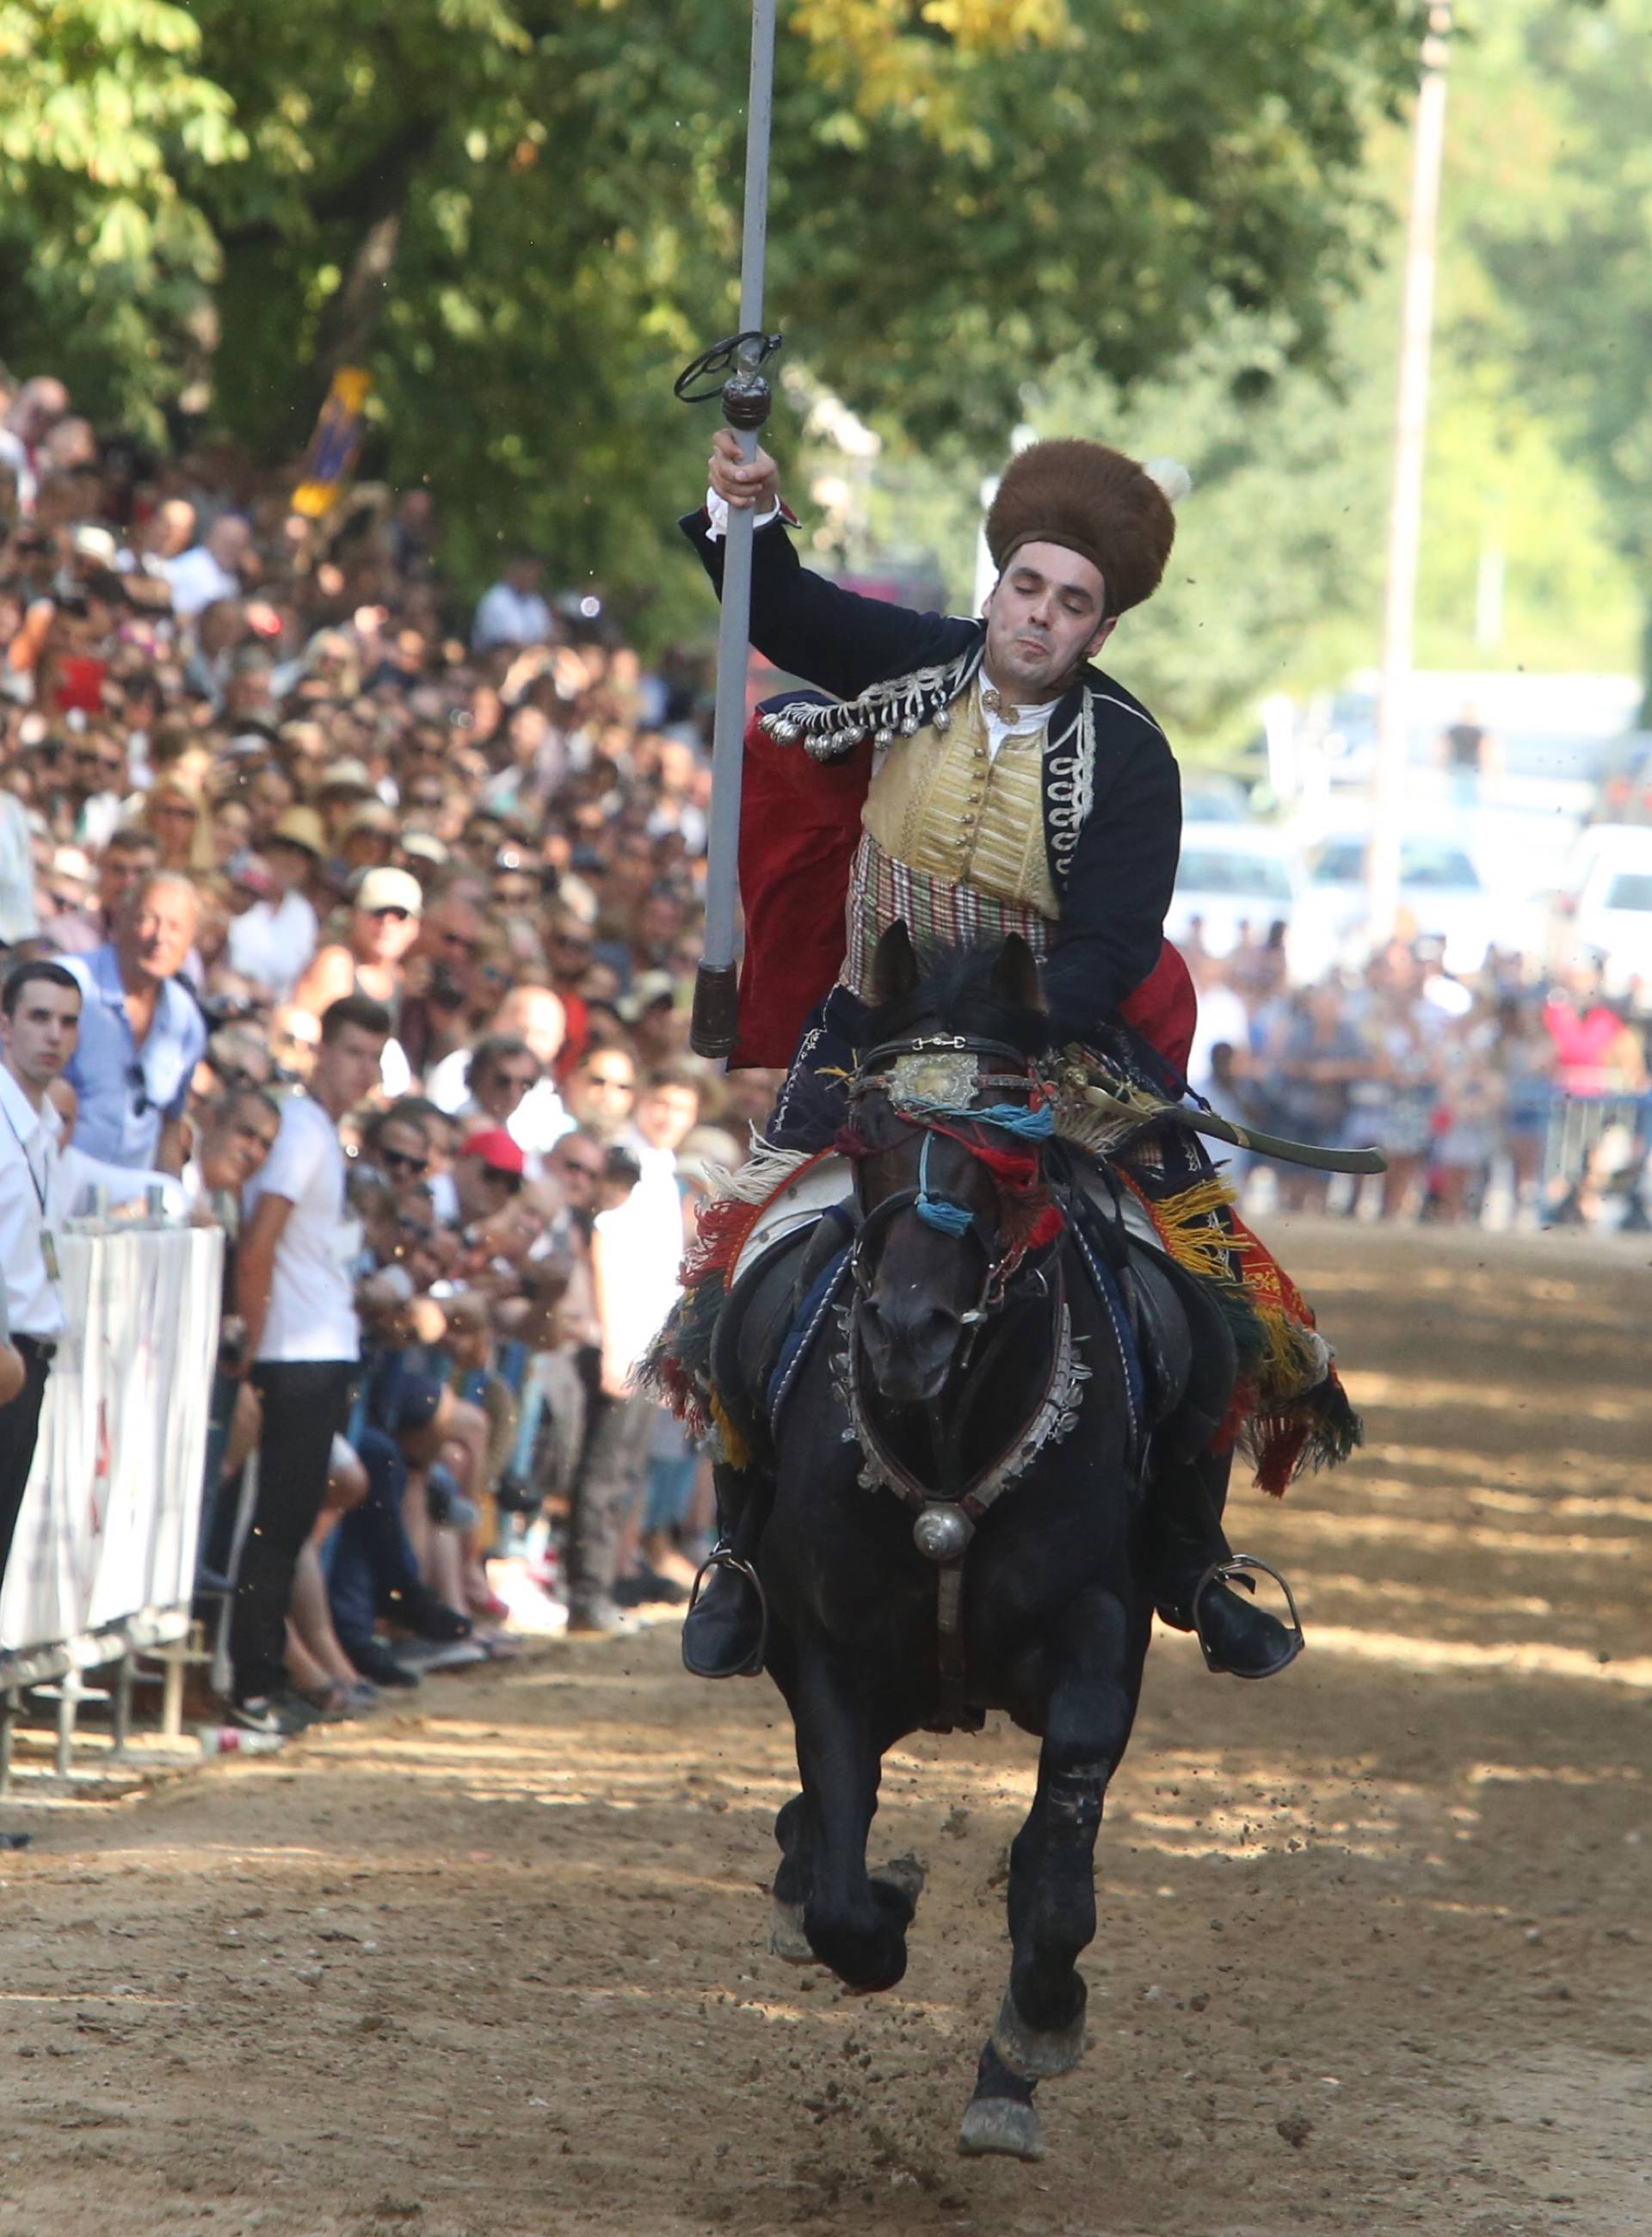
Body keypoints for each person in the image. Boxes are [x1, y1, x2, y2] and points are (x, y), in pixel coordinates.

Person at [679, 428, 1310, 1683]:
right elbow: (786, 606)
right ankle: (741, 1553)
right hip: (868, 1034)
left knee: (1222, 1295)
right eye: (1028, 587)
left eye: (1072, 604)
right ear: (996, 587)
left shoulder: (1134, 758)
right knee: (723, 1266)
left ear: (1100, 632)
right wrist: (744, 513)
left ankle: (1190, 1557)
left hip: (1055, 1054)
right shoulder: (916, 660)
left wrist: (1008, 1033)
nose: (1041, 616)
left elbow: (1116, 940)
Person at [227, 993, 390, 1735]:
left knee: (285, 1526)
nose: (363, 1068)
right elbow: (260, 1243)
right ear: (321, 1049)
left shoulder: (318, 1129)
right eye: (352, 1051)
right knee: (274, 1527)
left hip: (316, 1345)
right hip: (293, 1351)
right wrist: (247, 1350)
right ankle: (254, 1684)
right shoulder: (299, 1129)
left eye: (374, 1056)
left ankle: (268, 1676)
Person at [0, 963, 79, 1599]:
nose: (54, 1034)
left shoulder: (45, 1124)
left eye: (67, 1021)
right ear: (5, 1024)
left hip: (30, 1357)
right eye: (39, 1017)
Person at [61, 872, 206, 1173]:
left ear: (191, 940)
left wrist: (168, 1197)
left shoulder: (186, 1020)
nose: (160, 939)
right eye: (148, 919)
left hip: (128, 1197)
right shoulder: (67, 987)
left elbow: (170, 1124)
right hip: (52, 1173)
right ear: (121, 921)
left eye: (176, 928)